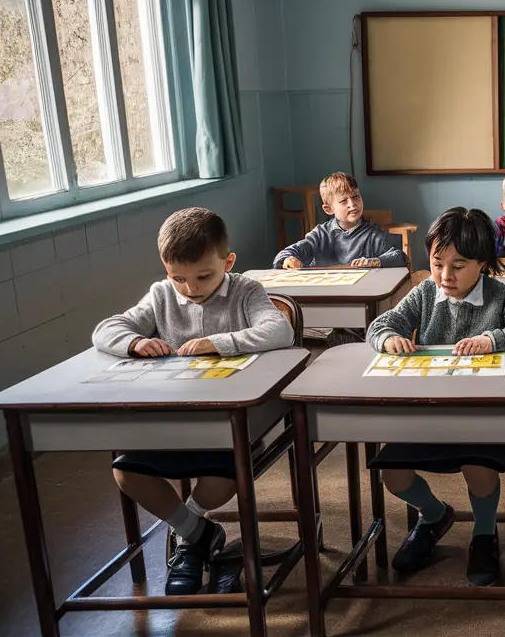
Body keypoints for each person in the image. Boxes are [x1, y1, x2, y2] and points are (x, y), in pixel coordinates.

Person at [94, 207, 295, 595]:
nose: (190, 288)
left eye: (204, 276)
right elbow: (107, 329)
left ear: (228, 261)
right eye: (178, 278)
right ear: (165, 270)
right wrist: (135, 342)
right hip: (172, 423)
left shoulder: (246, 291)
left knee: (220, 483)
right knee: (126, 472)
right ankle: (197, 534)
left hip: (230, 427)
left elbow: (279, 330)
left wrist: (219, 343)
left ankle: (190, 533)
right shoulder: (160, 295)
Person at [366, 207, 505, 587]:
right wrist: (389, 339)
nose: (445, 276)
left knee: (479, 468)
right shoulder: (424, 292)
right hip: (428, 413)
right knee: (393, 475)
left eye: (459, 265)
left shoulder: (501, 296)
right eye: (437, 263)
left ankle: (484, 535)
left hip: (480, 417)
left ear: (483, 263)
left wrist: (492, 339)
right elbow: (380, 325)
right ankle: (434, 515)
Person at [273, 172, 406, 269]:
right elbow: (286, 253)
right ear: (328, 209)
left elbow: (400, 257)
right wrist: (288, 259)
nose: (352, 205)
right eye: (344, 201)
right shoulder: (321, 234)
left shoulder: (373, 234)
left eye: (356, 197)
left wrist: (375, 261)